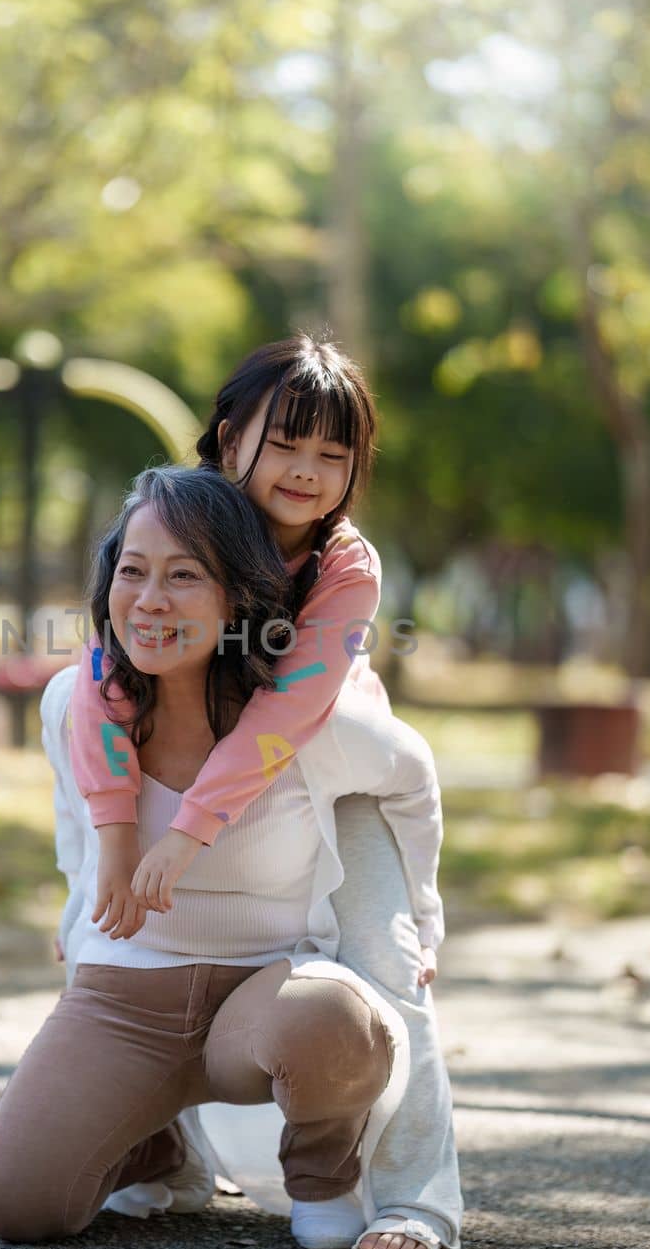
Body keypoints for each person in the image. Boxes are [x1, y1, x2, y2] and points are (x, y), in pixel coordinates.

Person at [0, 466, 461, 1249]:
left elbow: (413, 777)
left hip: (265, 997)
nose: (150, 600)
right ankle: (157, 1147)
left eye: (184, 576)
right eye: (132, 572)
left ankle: (322, 1173)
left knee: (332, 1017)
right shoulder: (73, 703)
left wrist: (422, 917)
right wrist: (76, 914)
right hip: (128, 998)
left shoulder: (306, 726)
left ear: (239, 598)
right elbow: (74, 828)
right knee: (18, 1204)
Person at [67, 335, 443, 1024]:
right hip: (211, 733)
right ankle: (81, 898)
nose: (306, 472)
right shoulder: (176, 516)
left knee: (387, 960)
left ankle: (422, 916)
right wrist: (116, 838)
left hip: (324, 753)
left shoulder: (343, 564)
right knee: (66, 696)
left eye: (332, 457)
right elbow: (104, 670)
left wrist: (187, 831)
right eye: (285, 446)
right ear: (231, 440)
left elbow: (285, 711)